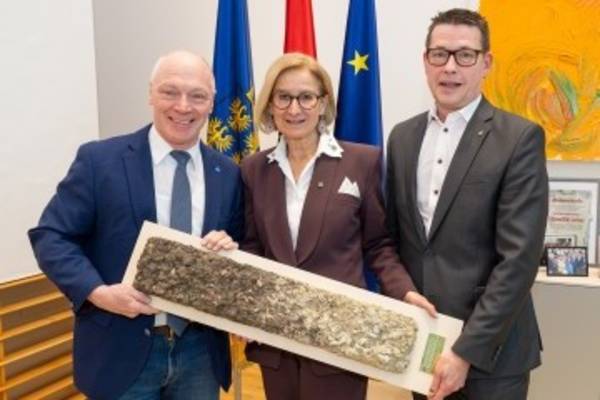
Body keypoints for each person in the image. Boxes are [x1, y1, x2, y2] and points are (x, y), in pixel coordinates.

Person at [28, 50, 243, 400]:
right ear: (150, 94)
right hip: (119, 350)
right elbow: (52, 236)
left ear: (211, 103)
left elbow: (241, 246)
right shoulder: (100, 161)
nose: (183, 106)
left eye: (197, 96)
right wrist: (98, 293)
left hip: (201, 354)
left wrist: (229, 247)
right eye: (170, 92)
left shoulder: (228, 173)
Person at [240, 52, 435, 400]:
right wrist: (246, 307)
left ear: (323, 103)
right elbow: (252, 247)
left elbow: (378, 246)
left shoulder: (362, 161)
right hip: (276, 341)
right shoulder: (254, 169)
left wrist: (405, 293)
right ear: (270, 104)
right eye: (283, 97)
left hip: (339, 341)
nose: (294, 109)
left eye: (306, 97)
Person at [385, 9, 548, 400]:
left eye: (465, 55)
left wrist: (464, 351)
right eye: (439, 54)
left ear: (486, 63)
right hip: (425, 349)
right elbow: (394, 237)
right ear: (426, 61)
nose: (450, 67)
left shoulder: (519, 138)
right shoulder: (402, 137)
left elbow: (518, 261)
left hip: (493, 357)